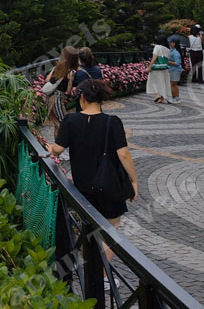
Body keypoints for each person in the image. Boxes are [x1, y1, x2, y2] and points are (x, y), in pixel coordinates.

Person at [48, 79, 139, 250]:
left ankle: (90, 264)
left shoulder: (70, 120)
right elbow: (124, 155)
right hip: (109, 185)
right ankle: (104, 268)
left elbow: (58, 149)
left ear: (82, 97)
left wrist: (50, 148)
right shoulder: (112, 122)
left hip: (82, 185)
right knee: (111, 229)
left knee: (88, 227)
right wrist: (134, 181)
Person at [44, 47, 79, 138]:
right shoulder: (70, 72)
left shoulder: (57, 67)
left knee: (57, 124)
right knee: (64, 123)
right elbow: (68, 91)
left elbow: (47, 80)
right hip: (58, 100)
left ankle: (57, 144)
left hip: (49, 99)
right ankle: (62, 143)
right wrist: (70, 81)